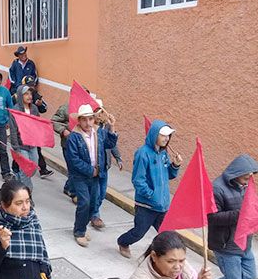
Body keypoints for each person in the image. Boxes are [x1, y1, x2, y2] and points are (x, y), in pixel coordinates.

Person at [208, 154, 258, 279]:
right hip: (225, 246)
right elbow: (212, 218)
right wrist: (240, 214)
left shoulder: (246, 186)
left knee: (250, 275)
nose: (249, 181)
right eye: (246, 177)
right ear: (236, 173)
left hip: (244, 242)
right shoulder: (217, 188)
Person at [117, 120, 182, 258]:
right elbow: (138, 180)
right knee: (138, 232)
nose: (166, 139)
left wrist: (175, 165)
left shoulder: (163, 153)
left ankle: (164, 256)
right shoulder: (142, 153)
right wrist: (151, 195)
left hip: (163, 206)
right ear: (154, 135)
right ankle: (123, 242)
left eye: (168, 136)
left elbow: (168, 175)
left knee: (167, 233)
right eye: (163, 135)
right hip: (146, 205)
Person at [65, 104, 117, 247]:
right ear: (79, 121)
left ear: (94, 119)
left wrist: (112, 128)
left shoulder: (99, 132)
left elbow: (109, 144)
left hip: (96, 175)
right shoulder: (74, 138)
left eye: (90, 119)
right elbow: (73, 160)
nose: (88, 123)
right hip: (80, 176)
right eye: (84, 120)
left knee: (93, 204)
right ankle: (79, 232)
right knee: (85, 202)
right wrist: (90, 170)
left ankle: (81, 226)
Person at [90, 99, 123, 229]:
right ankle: (95, 215)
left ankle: (92, 209)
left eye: (101, 111)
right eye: (97, 112)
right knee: (96, 192)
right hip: (94, 168)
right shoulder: (90, 129)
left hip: (105, 166)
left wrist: (118, 158)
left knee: (102, 193)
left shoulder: (107, 127)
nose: (99, 114)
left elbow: (112, 144)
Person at [22, 75, 53, 179]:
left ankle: (42, 170)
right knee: (21, 150)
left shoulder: (36, 95)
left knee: (37, 149)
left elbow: (44, 108)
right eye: (28, 86)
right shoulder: (17, 96)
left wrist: (39, 105)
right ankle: (16, 168)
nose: (31, 88)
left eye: (32, 86)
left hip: (33, 128)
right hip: (22, 128)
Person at [9, 85, 40, 190]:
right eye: (26, 94)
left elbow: (38, 125)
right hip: (21, 145)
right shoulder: (15, 110)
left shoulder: (34, 109)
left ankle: (18, 178)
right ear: (20, 96)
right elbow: (13, 131)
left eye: (30, 93)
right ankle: (28, 192)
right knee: (25, 169)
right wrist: (16, 148)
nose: (29, 96)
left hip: (32, 145)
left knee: (33, 167)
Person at [52, 103, 76, 203]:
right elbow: (54, 121)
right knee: (73, 168)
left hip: (83, 146)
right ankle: (74, 193)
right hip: (68, 144)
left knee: (76, 169)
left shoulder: (88, 109)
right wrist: (63, 130)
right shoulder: (65, 108)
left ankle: (68, 187)